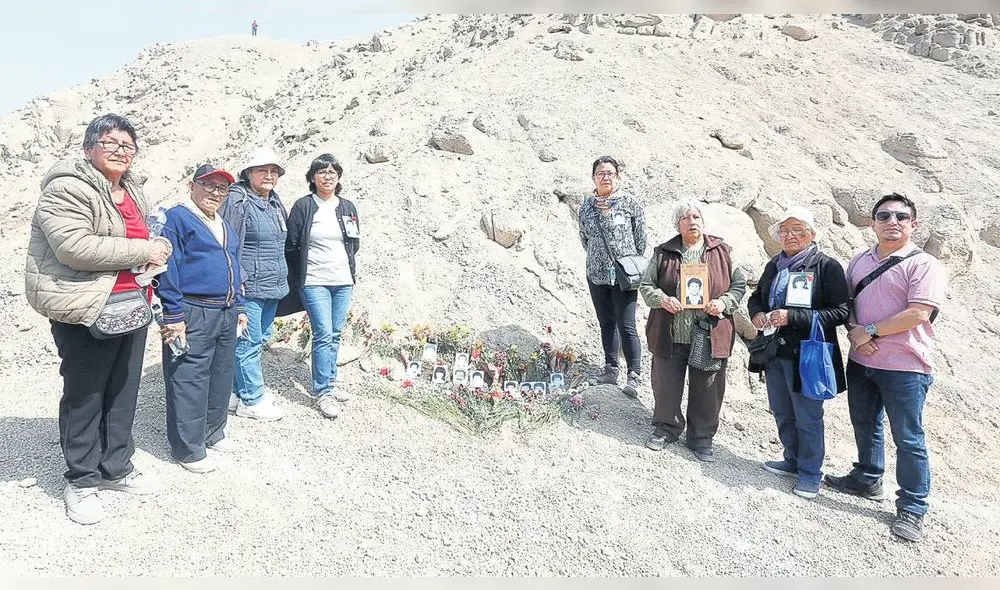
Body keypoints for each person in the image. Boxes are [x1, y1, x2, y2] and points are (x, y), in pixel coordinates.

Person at [24, 114, 172, 525]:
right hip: (86, 306)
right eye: (111, 143)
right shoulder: (66, 187)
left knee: (123, 389)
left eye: (128, 146)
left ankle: (117, 466)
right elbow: (74, 247)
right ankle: (82, 479)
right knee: (86, 392)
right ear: (89, 147)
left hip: (133, 304)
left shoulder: (131, 190)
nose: (121, 152)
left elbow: (146, 237)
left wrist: (156, 251)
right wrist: (145, 250)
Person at [824, 193, 946, 543]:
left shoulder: (923, 265)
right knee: (865, 423)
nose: (893, 221)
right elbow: (846, 304)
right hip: (862, 359)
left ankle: (912, 506)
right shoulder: (859, 261)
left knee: (908, 437)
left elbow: (919, 312)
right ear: (872, 222)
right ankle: (867, 477)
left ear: (913, 224)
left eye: (901, 217)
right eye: (884, 216)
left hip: (905, 365)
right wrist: (854, 333)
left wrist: (870, 331)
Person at [747, 206, 849, 499]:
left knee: (808, 415)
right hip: (775, 352)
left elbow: (841, 311)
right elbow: (756, 298)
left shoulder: (826, 267)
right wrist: (757, 314)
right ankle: (791, 459)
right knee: (781, 409)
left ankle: (810, 473)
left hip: (807, 354)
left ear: (812, 234)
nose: (790, 236)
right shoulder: (774, 265)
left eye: (797, 230)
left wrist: (792, 317)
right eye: (785, 231)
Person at [156, 164, 249, 474]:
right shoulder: (177, 218)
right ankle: (188, 449)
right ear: (191, 185)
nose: (216, 193)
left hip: (226, 309)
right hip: (193, 309)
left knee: (221, 374)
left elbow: (235, 264)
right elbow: (167, 268)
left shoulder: (224, 223)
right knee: (189, 377)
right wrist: (173, 314)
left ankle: (212, 432)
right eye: (209, 185)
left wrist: (242, 307)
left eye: (222, 188)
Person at [638, 199, 746, 461]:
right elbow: (646, 285)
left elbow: (739, 286)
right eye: (686, 218)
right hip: (671, 332)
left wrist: (723, 302)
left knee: (708, 387)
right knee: (666, 383)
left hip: (710, 332)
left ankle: (701, 437)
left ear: (703, 221)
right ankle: (666, 427)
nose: (692, 221)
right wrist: (663, 299)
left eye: (696, 216)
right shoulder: (664, 252)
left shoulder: (722, 251)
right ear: (678, 224)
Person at [283, 154, 361, 419]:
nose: (328, 176)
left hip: (343, 280)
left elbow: (354, 242)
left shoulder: (347, 206)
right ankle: (323, 391)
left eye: (333, 171)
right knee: (323, 333)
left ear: (338, 177)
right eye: (322, 171)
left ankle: (330, 380)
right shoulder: (304, 206)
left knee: (336, 333)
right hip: (314, 280)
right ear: (312, 177)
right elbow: (291, 245)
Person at [220, 146, 288, 421]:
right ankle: (252, 399)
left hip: (273, 283)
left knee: (259, 339)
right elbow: (230, 243)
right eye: (263, 170)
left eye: (274, 171)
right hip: (250, 284)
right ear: (248, 173)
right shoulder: (238, 201)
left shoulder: (273, 201)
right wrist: (237, 284)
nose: (269, 176)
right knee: (247, 343)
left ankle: (236, 392)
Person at [577, 156, 646, 397]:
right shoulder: (586, 207)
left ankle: (634, 375)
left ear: (617, 177)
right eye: (600, 173)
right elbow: (585, 239)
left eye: (610, 173)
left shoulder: (629, 204)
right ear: (593, 177)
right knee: (606, 322)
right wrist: (598, 259)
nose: (605, 177)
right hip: (596, 274)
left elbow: (641, 239)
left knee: (627, 324)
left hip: (624, 274)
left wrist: (627, 261)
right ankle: (611, 368)